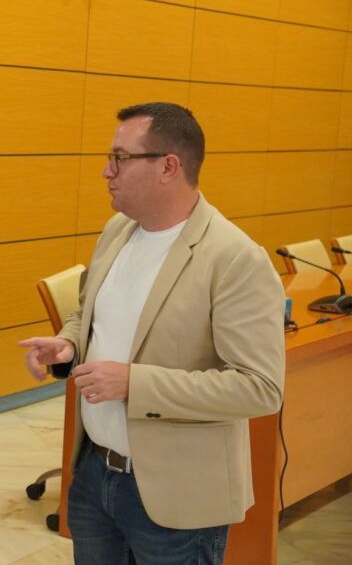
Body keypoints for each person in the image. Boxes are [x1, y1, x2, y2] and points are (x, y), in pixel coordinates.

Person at [19, 103, 285, 564]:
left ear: (168, 167)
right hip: (94, 475)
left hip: (176, 496)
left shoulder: (234, 258)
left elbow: (260, 388)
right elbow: (88, 314)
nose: (106, 171)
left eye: (120, 158)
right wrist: (69, 343)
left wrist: (134, 383)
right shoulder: (117, 231)